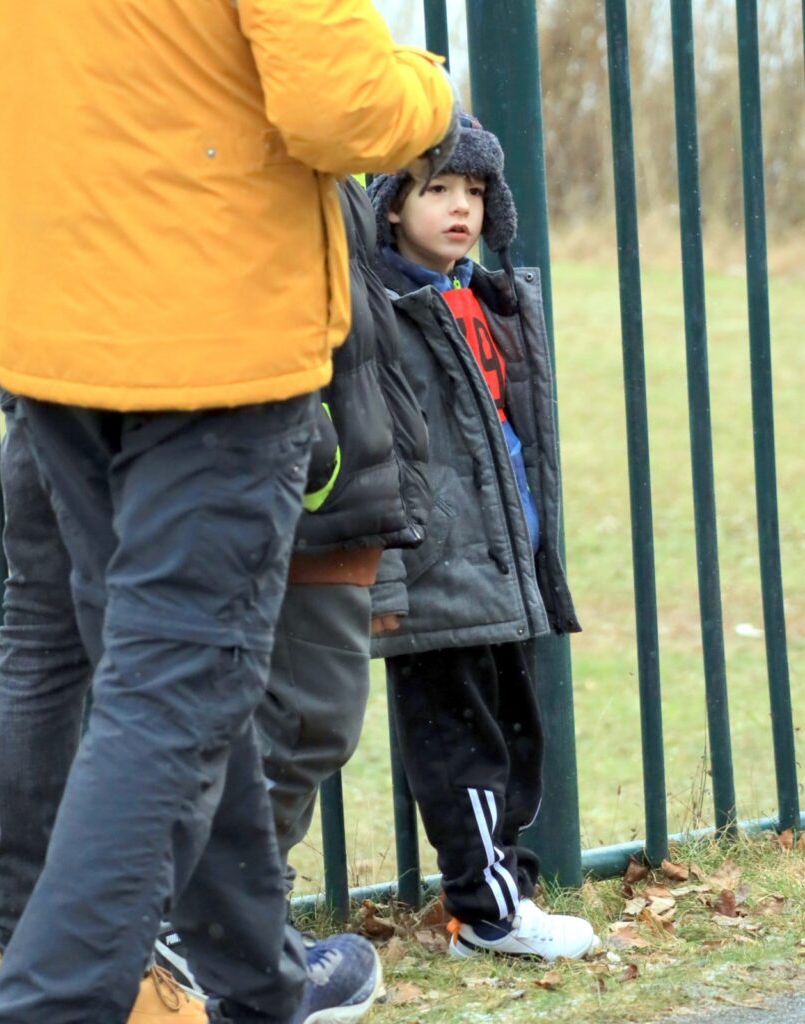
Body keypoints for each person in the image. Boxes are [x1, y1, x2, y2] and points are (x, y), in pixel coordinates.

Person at [0, 3, 456, 1022]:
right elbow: (339, 103)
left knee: (175, 674)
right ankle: (46, 1006)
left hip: (54, 339)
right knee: (173, 688)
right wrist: (429, 88)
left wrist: (39, 211)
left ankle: (259, 984)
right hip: (216, 339)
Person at [155, 177, 432, 990]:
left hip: (335, 477)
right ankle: (204, 930)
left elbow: (366, 347)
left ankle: (238, 922)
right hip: (290, 467)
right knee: (297, 716)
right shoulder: (273, 133)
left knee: (311, 718)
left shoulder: (333, 169)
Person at [367, 115, 597, 962]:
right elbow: (374, 457)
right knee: (458, 751)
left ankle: (502, 898)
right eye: (437, 188)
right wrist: (386, 587)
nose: (460, 206)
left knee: (512, 740)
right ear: (392, 205)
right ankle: (486, 911)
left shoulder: (487, 298)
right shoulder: (380, 312)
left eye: (473, 190)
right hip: (433, 574)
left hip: (505, 565)